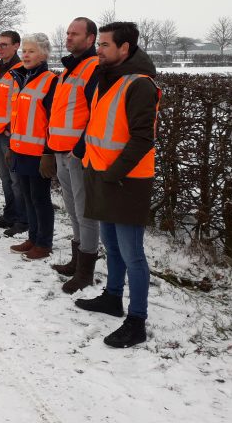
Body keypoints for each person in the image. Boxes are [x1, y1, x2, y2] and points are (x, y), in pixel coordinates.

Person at [75, 22, 160, 348]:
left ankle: (136, 320)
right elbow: (101, 124)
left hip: (126, 181)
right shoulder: (108, 78)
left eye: (105, 45)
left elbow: (142, 138)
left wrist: (113, 172)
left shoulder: (139, 84)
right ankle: (112, 297)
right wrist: (86, 153)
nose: (99, 49)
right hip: (101, 174)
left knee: (132, 253)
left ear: (125, 49)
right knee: (111, 245)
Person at [46, 17, 101, 293]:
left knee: (85, 211)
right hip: (61, 150)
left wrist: (80, 147)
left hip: (78, 154)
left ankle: (85, 272)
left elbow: (97, 113)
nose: (69, 37)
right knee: (72, 209)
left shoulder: (93, 68)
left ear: (90, 39)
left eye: (75, 34)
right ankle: (76, 260)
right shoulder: (69, 70)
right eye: (67, 33)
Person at [8, 33, 58, 260]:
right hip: (20, 149)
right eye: (24, 51)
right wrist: (12, 146)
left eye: (31, 51)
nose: (25, 55)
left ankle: (44, 243)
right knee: (27, 197)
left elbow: (52, 120)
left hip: (38, 153)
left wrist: (48, 152)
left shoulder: (50, 80)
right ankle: (33, 236)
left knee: (40, 199)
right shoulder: (22, 77)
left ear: (44, 54)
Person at [0, 31, 28, 235]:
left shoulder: (22, 70)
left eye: (4, 44)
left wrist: (12, 127)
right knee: (4, 176)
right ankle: (9, 215)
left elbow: (20, 102)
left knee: (16, 178)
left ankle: (22, 219)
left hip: (10, 133)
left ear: (16, 45)